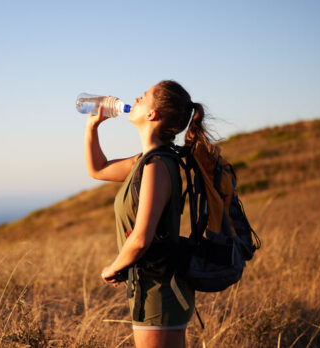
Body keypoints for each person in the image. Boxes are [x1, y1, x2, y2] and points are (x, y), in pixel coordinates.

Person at [84, 80, 212, 348]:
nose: (136, 99)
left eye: (143, 97)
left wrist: (113, 267)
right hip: (150, 288)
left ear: (152, 115)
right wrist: (92, 127)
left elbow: (141, 237)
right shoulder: (144, 161)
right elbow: (97, 168)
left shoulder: (157, 165)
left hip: (161, 291)